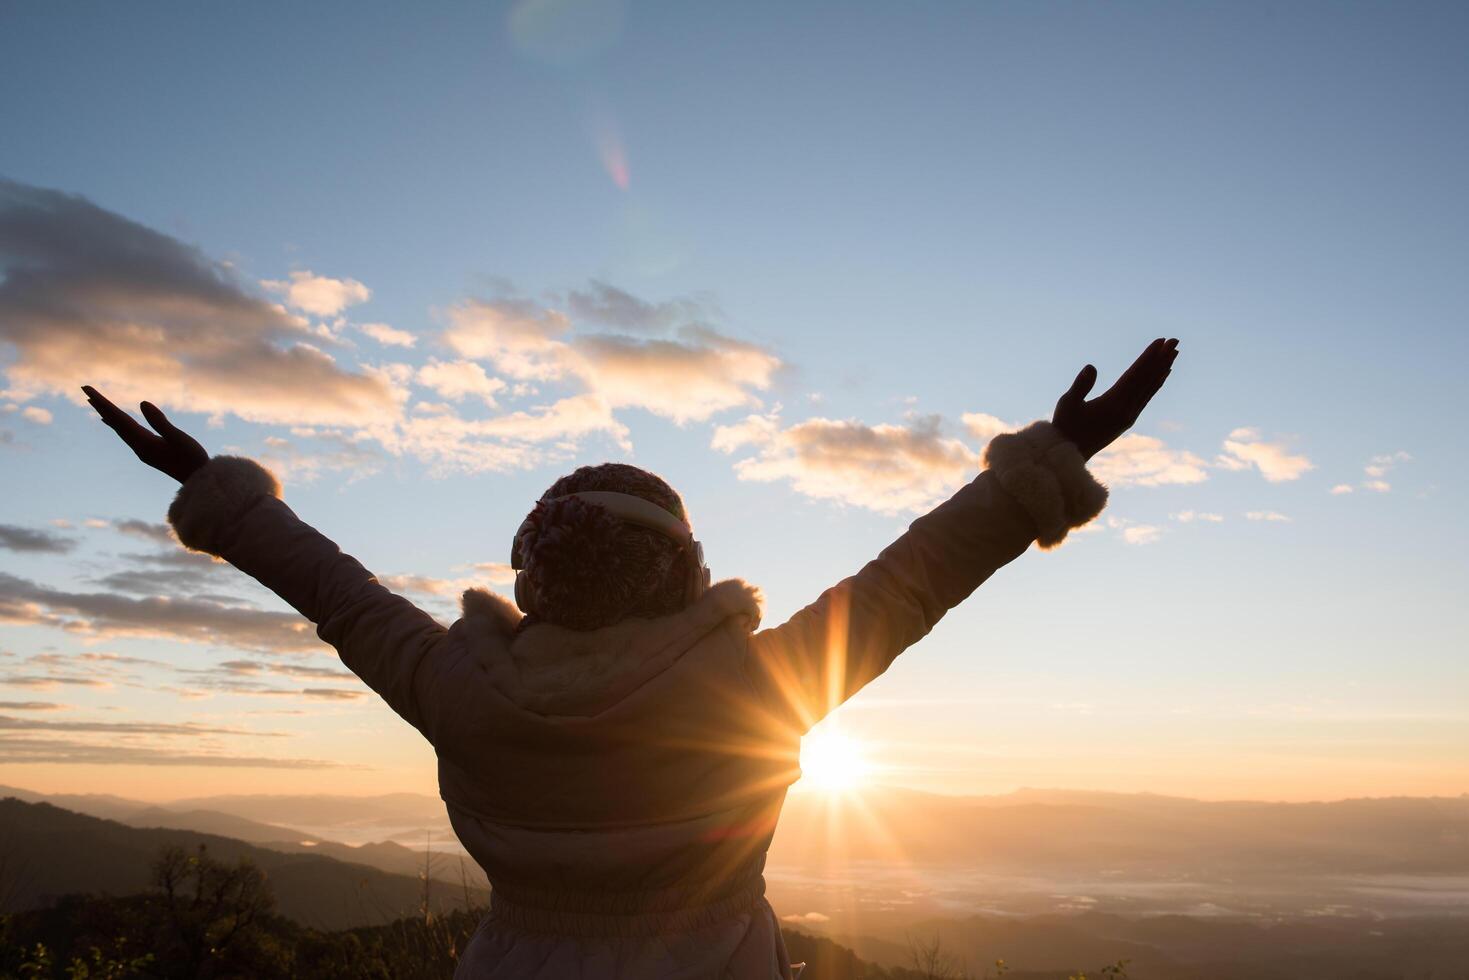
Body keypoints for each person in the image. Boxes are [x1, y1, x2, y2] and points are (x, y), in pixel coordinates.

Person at [84, 337, 1179, 979]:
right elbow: (914, 578)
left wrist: (212, 490)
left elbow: (332, 588)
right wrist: (1047, 461)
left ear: (531, 580)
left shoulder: (455, 686)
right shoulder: (751, 688)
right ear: (683, 573)